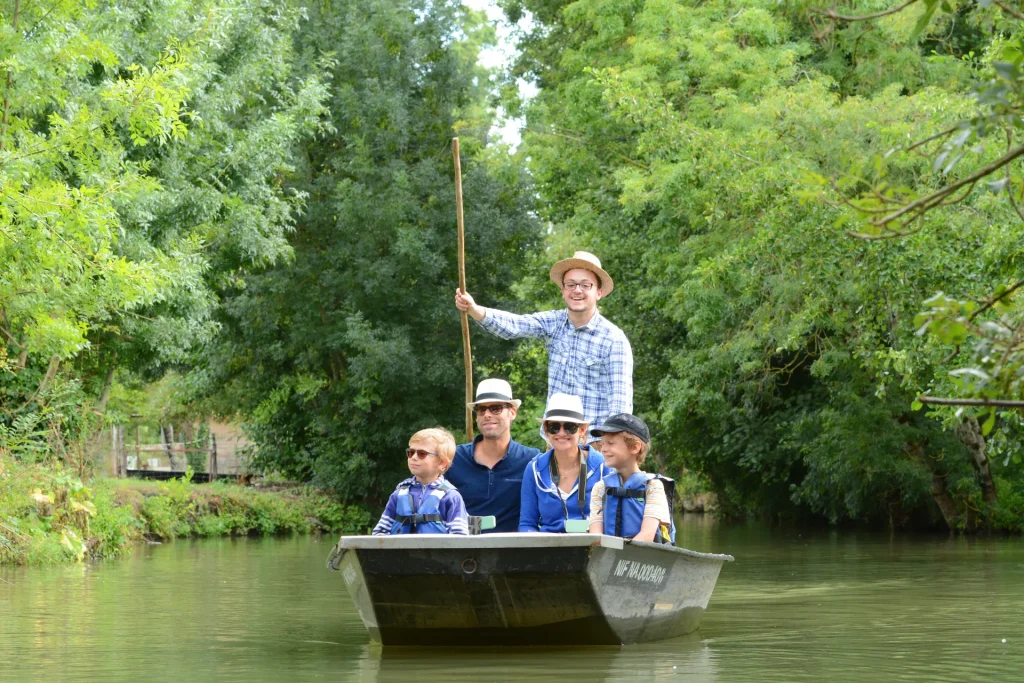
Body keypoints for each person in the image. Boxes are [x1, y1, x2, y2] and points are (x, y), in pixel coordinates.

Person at [454, 251, 632, 429]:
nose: (577, 290)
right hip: (554, 436)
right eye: (570, 284)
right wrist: (475, 310)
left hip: (593, 443)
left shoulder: (614, 339)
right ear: (563, 290)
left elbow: (620, 402)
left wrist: (609, 443)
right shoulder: (553, 323)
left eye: (586, 285)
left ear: (599, 292)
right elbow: (516, 325)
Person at [447, 379, 542, 533]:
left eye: (496, 408)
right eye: (481, 409)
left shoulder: (531, 460)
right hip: (462, 548)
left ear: (512, 413)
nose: (487, 415)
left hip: (514, 550)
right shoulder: (454, 458)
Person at [519, 393, 606, 533]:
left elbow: (613, 520)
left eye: (569, 427)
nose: (561, 433)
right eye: (554, 427)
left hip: (592, 547)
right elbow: (527, 523)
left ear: (582, 430)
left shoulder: (603, 467)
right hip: (548, 548)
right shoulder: (534, 469)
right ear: (546, 430)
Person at [587, 413, 674, 544]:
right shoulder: (600, 488)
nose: (603, 449)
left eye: (610, 443)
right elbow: (595, 536)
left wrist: (616, 553)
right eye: (602, 444)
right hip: (607, 555)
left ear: (635, 447)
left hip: (641, 557)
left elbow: (647, 535)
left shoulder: (653, 487)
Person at [372, 427, 469, 535]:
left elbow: (459, 538)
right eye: (411, 452)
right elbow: (380, 532)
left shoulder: (451, 497)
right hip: (401, 552)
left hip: (438, 552)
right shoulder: (398, 494)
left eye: (422, 454)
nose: (413, 457)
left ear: (442, 463)